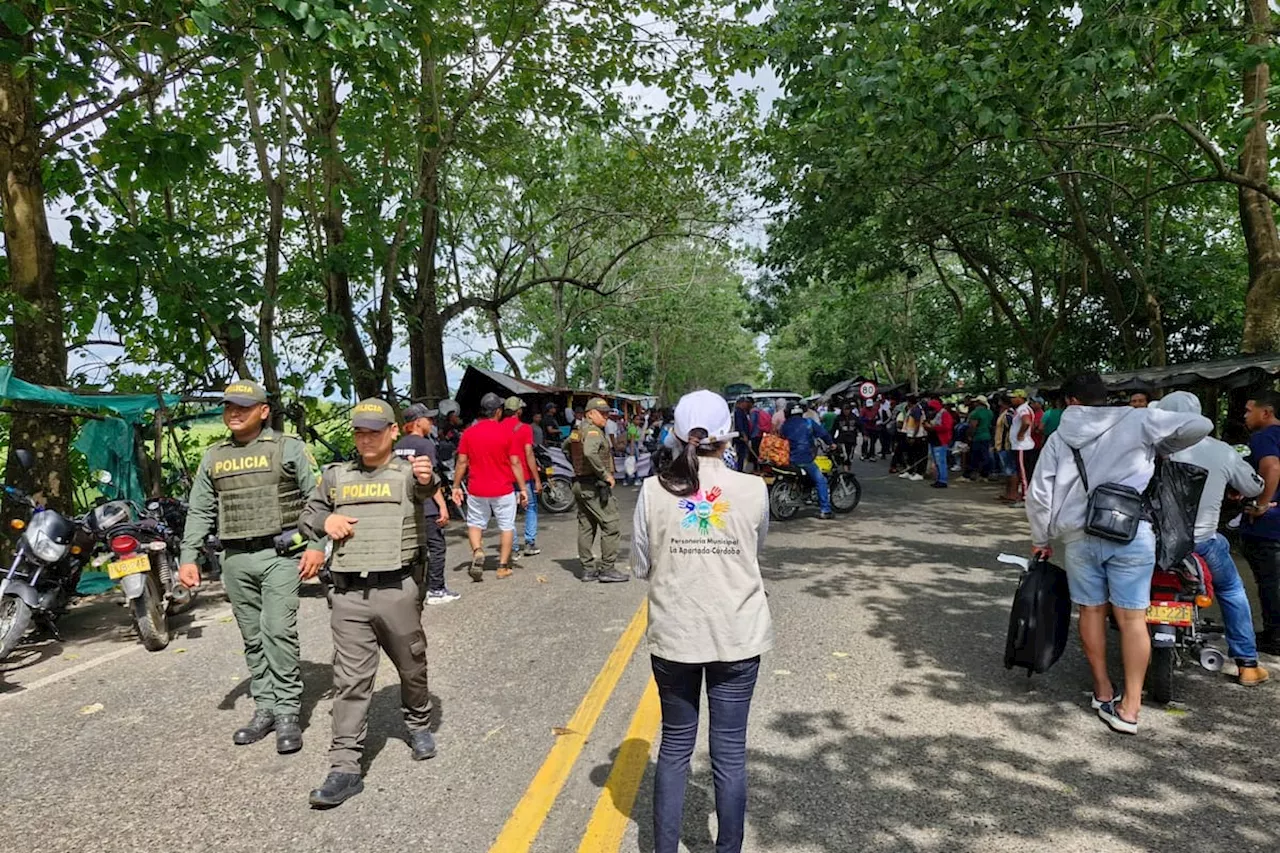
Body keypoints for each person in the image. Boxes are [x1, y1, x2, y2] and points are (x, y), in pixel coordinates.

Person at [1026, 373, 1212, 735]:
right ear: (1104, 398)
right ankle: (1130, 707)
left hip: (1079, 535)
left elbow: (1040, 494)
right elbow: (1200, 424)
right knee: (1133, 619)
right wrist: (1162, 446)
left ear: (1070, 402)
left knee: (1091, 612)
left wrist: (1041, 537)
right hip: (1132, 532)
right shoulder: (1138, 419)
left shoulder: (1058, 437)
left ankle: (1102, 690)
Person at [632, 389, 773, 853]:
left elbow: (640, 564)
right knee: (729, 753)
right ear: (727, 436)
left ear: (675, 435)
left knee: (674, 749)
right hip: (738, 634)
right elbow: (757, 548)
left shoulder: (653, 490)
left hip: (676, 636)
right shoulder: (754, 488)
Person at [299, 399, 439, 808]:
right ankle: (344, 767)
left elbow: (428, 487)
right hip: (347, 595)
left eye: (375, 431)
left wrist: (429, 478)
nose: (366, 438)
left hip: (397, 589)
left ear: (394, 432)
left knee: (412, 666)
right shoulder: (336, 476)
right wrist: (324, 523)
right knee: (350, 680)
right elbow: (309, 515)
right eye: (360, 432)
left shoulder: (409, 472)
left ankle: (418, 723)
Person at [179, 380, 324, 755]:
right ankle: (266, 707)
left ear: (263, 411)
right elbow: (200, 509)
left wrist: (317, 546)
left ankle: (289, 712)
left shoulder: (289, 448)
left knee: (278, 630)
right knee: (253, 636)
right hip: (235, 558)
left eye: (243, 406)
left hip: (279, 555)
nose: (234, 412)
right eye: (229, 406)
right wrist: (188, 556)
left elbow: (318, 499)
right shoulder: (214, 457)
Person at [1155, 392, 1268, 684]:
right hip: (1202, 543)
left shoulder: (1150, 446)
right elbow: (1254, 487)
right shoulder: (1222, 451)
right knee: (1230, 589)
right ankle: (1247, 664)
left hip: (1152, 542)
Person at [453, 392, 528, 582]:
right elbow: (515, 463)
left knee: (475, 523)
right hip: (503, 489)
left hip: (477, 488)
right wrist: (523, 489)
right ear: (498, 411)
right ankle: (502, 567)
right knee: (506, 526)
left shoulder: (469, 433)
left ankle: (478, 551)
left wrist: (456, 486)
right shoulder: (506, 433)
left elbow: (461, 462)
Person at [395, 404, 458, 606]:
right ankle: (436, 589)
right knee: (437, 547)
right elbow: (429, 478)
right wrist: (442, 506)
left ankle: (410, 589)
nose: (431, 423)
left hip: (405, 506)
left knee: (412, 550)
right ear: (417, 422)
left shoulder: (396, 446)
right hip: (427, 505)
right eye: (427, 419)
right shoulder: (425, 445)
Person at [570, 398, 628, 582]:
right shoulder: (593, 431)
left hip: (580, 484)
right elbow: (589, 452)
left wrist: (580, 468)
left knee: (586, 526)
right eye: (601, 413)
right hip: (593, 486)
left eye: (606, 413)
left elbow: (567, 448)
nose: (605, 417)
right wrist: (604, 474)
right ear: (590, 414)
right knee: (611, 524)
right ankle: (607, 569)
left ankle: (588, 569)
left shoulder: (577, 431)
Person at [1240, 390, 1280, 656]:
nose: (1244, 415)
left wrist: (1262, 503)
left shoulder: (1263, 437)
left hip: (1268, 527)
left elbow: (1272, 467)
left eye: (1248, 409)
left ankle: (1274, 636)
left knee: (1270, 582)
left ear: (1266, 412)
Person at [779, 402, 834, 519]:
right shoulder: (809, 422)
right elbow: (824, 434)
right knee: (821, 480)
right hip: (805, 458)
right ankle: (825, 510)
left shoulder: (785, 425)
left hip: (788, 459)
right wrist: (831, 444)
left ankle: (806, 493)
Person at [503, 396, 542, 560]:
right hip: (524, 475)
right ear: (518, 411)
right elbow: (529, 453)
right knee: (531, 507)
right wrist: (537, 478)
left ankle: (513, 547)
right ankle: (529, 543)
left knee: (508, 512)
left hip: (505, 476)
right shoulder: (525, 428)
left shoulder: (498, 428)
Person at [1010, 390, 1036, 507]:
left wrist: (1021, 433)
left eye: (1014, 397)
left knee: (1024, 473)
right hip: (1023, 445)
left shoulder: (1023, 409)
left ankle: (1025, 497)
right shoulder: (1024, 408)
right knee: (1025, 471)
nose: (1012, 399)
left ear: (1021, 398)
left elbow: (1026, 422)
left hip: (1022, 446)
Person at [924, 397, 954, 488]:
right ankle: (938, 478)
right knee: (936, 462)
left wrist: (933, 428)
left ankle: (942, 480)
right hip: (933, 440)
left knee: (941, 461)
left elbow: (946, 427)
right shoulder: (935, 414)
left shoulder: (944, 414)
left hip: (940, 441)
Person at [965, 396, 994, 482]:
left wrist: (970, 435)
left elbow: (973, 426)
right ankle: (986, 473)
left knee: (975, 456)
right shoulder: (990, 412)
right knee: (986, 455)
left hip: (978, 436)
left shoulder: (975, 413)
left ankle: (973, 473)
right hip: (987, 435)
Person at [733, 396, 753, 471]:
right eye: (745, 403)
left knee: (743, 454)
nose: (746, 404)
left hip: (742, 436)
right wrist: (744, 435)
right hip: (740, 437)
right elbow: (740, 424)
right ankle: (739, 469)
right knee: (741, 454)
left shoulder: (742, 411)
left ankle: (740, 468)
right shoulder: (738, 412)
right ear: (741, 403)